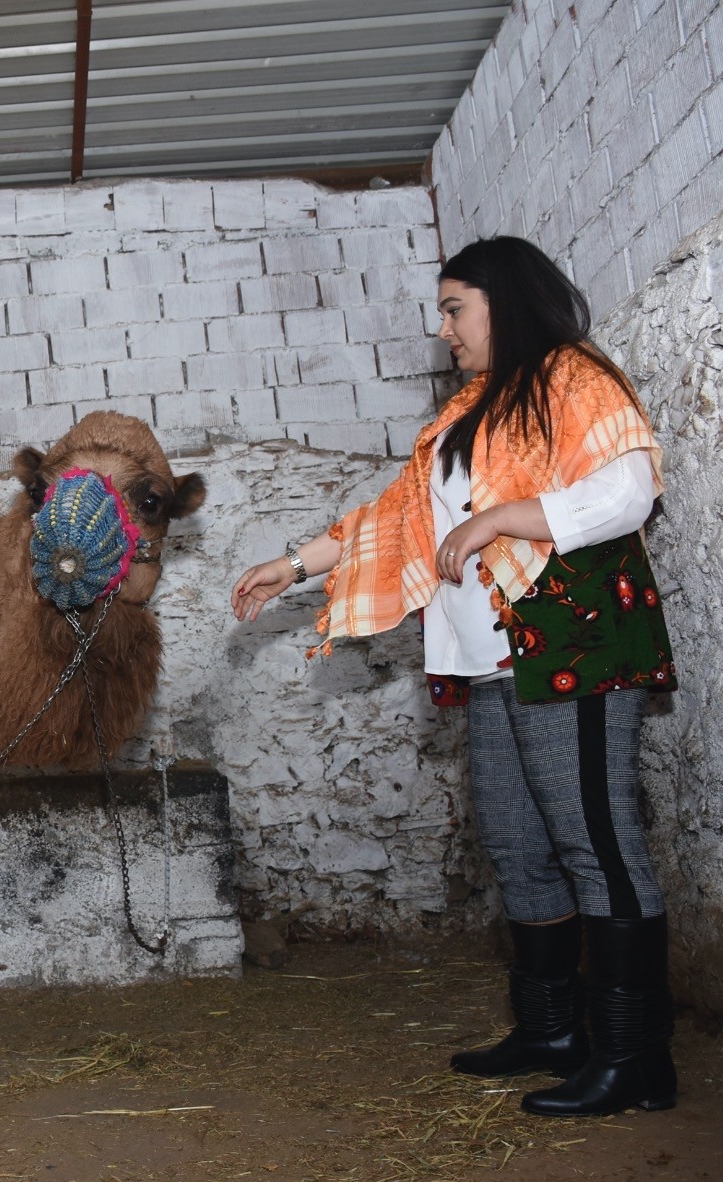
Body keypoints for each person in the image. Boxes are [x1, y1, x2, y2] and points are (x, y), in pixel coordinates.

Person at [231, 236, 678, 1117]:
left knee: (598, 842)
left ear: (502, 302)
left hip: (570, 643)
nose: (445, 331)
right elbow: (396, 515)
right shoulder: (470, 409)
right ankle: (552, 1031)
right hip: (491, 660)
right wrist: (294, 564)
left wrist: (505, 515)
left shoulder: (572, 379)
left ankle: (637, 1060)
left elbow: (629, 488)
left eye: (454, 308)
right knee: (518, 845)